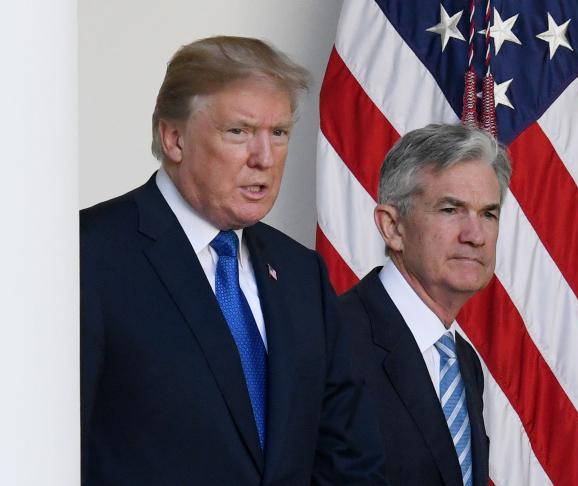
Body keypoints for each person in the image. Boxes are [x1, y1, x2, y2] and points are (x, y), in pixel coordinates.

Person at [80, 36, 385, 485]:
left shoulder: (301, 274)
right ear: (174, 138)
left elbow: (347, 457)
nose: (264, 158)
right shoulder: (87, 254)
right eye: (238, 132)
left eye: (278, 133)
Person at [340, 124, 512, 486]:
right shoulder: (334, 340)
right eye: (451, 210)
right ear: (392, 228)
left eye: (488, 214)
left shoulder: (462, 360)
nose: (475, 236)